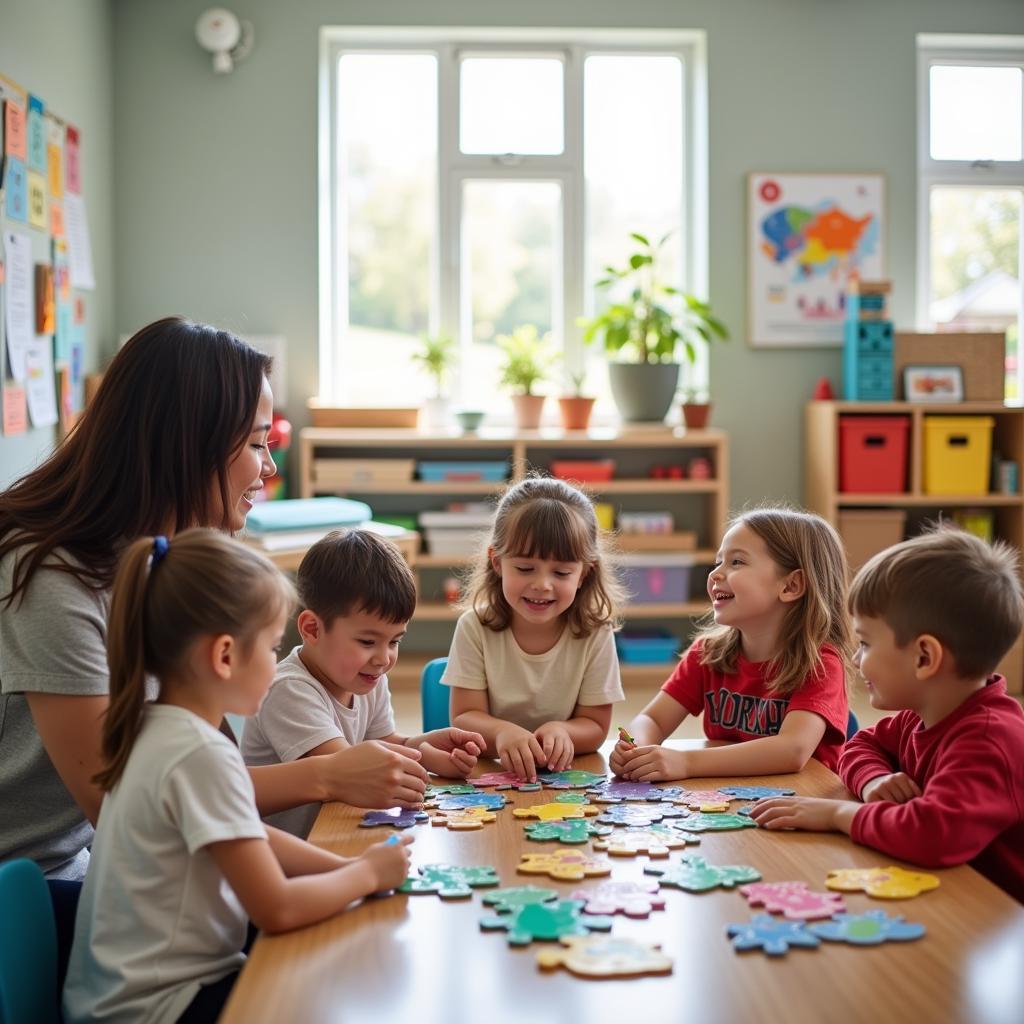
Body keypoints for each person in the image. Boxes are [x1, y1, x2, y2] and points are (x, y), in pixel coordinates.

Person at [0, 318, 426, 935]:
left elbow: (200, 791)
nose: (270, 467)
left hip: (110, 860)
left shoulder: (160, 557)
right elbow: (127, 802)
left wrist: (348, 862)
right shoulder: (52, 575)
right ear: (188, 445)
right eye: (257, 444)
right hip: (39, 886)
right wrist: (328, 781)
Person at [62, 531, 413, 1024]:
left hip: (136, 996)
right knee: (344, 990)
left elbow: (250, 836)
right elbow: (278, 908)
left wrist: (341, 864)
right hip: (158, 1008)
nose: (277, 663)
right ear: (224, 656)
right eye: (272, 647)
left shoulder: (159, 730)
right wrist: (364, 875)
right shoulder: (197, 755)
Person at [748, 529, 1024, 904]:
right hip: (950, 896)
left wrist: (836, 816)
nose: (857, 659)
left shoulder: (990, 739)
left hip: (998, 918)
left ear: (924, 658)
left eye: (865, 643)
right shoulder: (923, 713)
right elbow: (860, 743)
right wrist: (874, 780)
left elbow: (931, 834)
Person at [243, 529, 485, 837]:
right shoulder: (289, 689)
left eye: (395, 641)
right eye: (368, 641)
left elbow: (384, 744)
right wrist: (413, 758)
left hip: (337, 833)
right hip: (291, 857)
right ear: (313, 629)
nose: (383, 658)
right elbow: (348, 768)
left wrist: (424, 750)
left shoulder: (367, 677)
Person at [611, 507, 851, 781]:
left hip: (802, 801)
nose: (715, 574)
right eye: (718, 562)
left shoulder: (821, 664)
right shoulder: (707, 654)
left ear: (791, 586)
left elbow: (792, 750)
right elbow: (652, 719)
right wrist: (636, 746)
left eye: (736, 562)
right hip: (730, 797)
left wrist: (686, 763)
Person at [445, 476, 625, 782]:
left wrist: (563, 731)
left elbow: (595, 726)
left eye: (561, 572)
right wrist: (502, 732)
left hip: (564, 780)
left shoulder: (596, 633)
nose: (542, 585)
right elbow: (464, 717)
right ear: (497, 562)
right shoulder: (474, 627)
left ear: (584, 574)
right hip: (493, 774)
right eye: (525, 569)